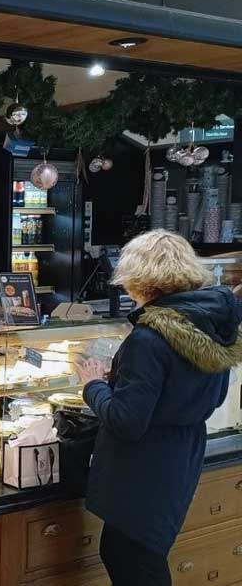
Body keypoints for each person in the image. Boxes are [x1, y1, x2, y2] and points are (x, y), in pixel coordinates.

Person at [76, 230, 242, 586]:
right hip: (181, 456)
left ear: (138, 277)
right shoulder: (210, 325)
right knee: (143, 554)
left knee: (133, 563)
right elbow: (206, 396)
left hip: (142, 469)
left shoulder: (149, 338)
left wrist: (93, 385)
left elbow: (127, 420)